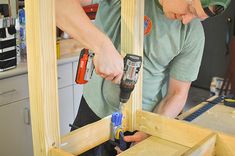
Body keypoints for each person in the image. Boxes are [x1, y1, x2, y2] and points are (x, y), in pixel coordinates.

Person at [56, 0, 231, 155]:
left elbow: (177, 93)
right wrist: (101, 46)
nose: (186, 19)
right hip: (92, 113)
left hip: (141, 124)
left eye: (196, 16)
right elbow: (56, 4)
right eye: (190, 8)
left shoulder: (192, 32)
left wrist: (151, 129)